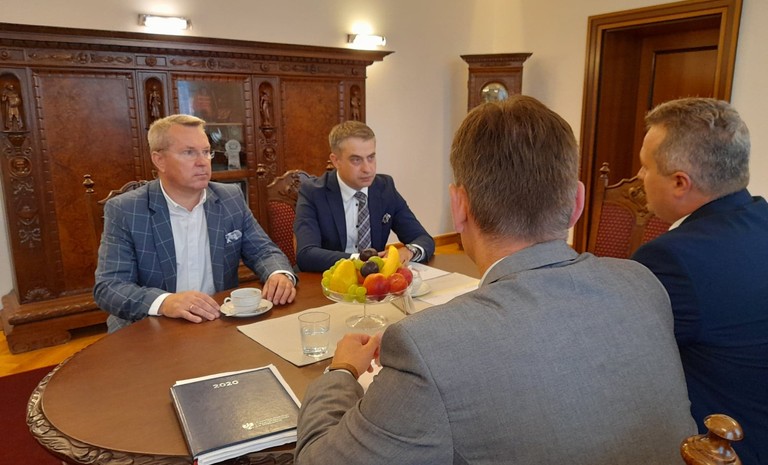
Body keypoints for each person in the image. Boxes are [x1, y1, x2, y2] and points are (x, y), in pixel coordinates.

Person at [294, 96, 696, 464]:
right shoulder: (643, 284)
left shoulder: (426, 347)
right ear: (577, 202)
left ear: (459, 206)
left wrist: (341, 372)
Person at [631, 98, 768, 465]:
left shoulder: (671, 259)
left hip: (726, 449)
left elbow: (620, 358)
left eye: (646, 166)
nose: (639, 177)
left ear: (680, 182)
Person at [94, 114, 297, 333]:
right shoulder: (126, 210)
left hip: (217, 322)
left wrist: (278, 274)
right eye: (189, 152)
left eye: (206, 152)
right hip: (150, 327)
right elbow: (109, 288)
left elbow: (263, 251)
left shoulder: (230, 198)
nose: (202, 162)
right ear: (159, 160)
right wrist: (165, 302)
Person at [294, 121, 435, 272]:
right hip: (327, 279)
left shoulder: (385, 188)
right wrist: (360, 261)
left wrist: (408, 251)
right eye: (356, 160)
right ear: (336, 161)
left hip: (375, 282)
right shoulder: (313, 193)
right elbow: (306, 254)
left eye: (371, 157)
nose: (367, 169)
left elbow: (424, 239)